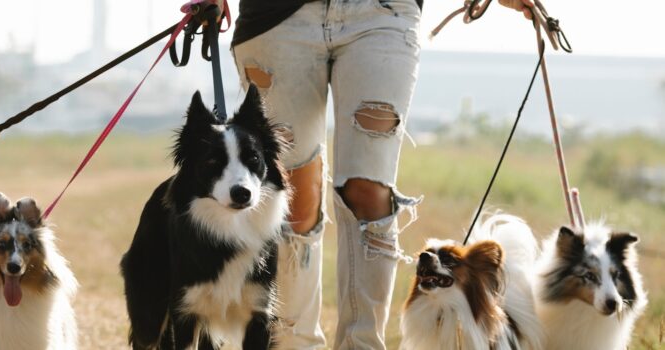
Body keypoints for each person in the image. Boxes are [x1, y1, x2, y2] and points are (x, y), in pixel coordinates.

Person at [225, 0, 535, 348]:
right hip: (276, 19)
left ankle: (363, 344)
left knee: (370, 190)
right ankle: (293, 343)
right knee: (294, 193)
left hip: (383, 14)